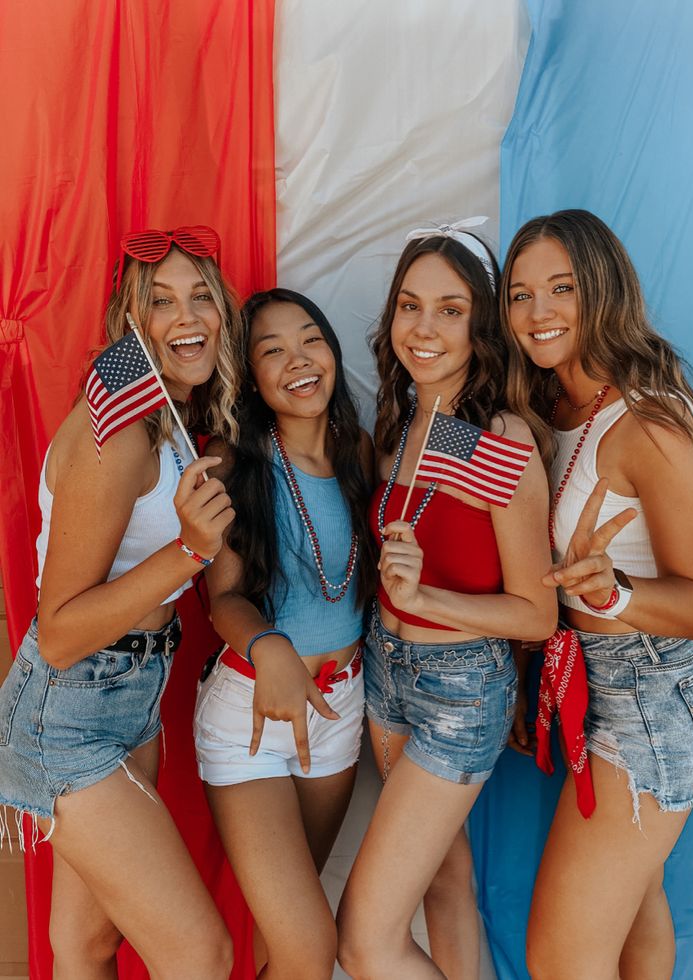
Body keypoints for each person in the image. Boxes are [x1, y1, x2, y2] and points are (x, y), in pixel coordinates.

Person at [0, 226, 240, 978]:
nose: (188, 317)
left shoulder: (163, 419)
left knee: (85, 947)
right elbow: (62, 632)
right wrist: (190, 552)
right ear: (130, 322)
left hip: (129, 695)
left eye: (202, 295)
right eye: (161, 301)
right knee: (200, 952)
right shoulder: (120, 434)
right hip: (68, 710)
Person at [500, 208, 693, 980]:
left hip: (651, 694)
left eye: (560, 288)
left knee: (562, 960)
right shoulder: (556, 408)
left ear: (601, 288)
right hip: (592, 684)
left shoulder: (649, 421)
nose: (538, 313)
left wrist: (617, 589)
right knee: (635, 916)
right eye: (520, 294)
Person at [337, 221, 557, 979]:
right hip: (386, 673)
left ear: (482, 324)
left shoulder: (499, 439)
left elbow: (536, 612)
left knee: (364, 941)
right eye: (409, 304)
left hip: (459, 689)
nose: (423, 328)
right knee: (444, 879)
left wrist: (425, 592)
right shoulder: (404, 423)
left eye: (451, 309)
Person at [193, 287, 375, 979]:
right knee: (309, 948)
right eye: (272, 351)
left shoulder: (359, 451)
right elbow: (223, 599)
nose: (298, 361)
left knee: (284, 947)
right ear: (250, 375)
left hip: (338, 710)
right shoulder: (233, 463)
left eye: (311, 340)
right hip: (252, 715)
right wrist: (270, 650)